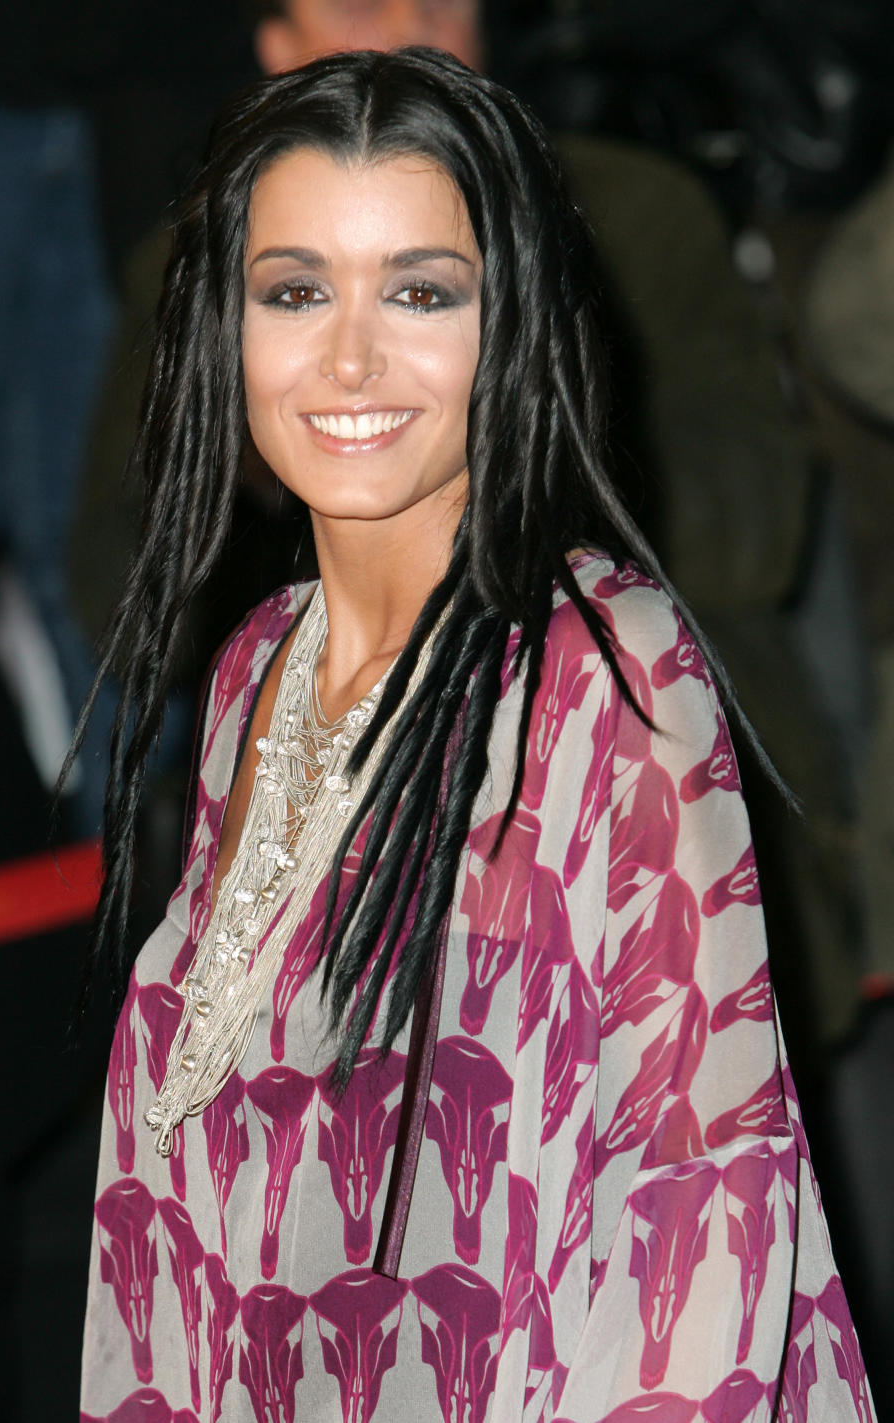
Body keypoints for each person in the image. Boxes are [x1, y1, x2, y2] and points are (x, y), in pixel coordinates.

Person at [78, 48, 874, 1422]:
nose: (348, 355)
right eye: (296, 290)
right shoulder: (255, 672)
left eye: (421, 291)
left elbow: (706, 1237)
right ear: (227, 325)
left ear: (510, 325)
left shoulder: (605, 671)